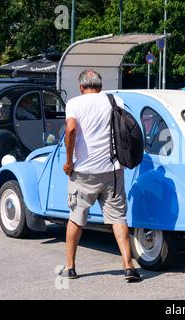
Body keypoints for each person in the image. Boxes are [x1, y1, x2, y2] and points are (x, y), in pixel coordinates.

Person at [59, 69, 141, 282]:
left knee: (76, 218)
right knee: (118, 218)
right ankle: (128, 266)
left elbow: (70, 130)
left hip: (83, 172)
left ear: (81, 86)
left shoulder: (74, 104)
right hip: (112, 170)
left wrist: (69, 161)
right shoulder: (114, 101)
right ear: (100, 86)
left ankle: (70, 267)